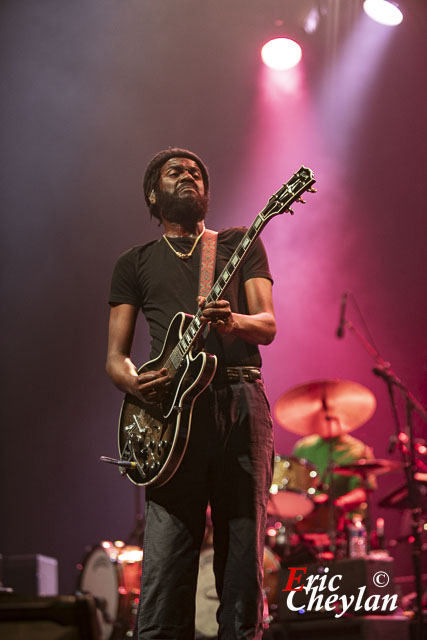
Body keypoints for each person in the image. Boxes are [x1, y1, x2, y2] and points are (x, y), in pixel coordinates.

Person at [106, 147, 276, 640]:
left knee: (243, 564)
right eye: (174, 172)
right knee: (164, 570)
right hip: (172, 415)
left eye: (197, 173)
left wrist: (234, 319)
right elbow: (115, 358)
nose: (189, 176)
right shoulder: (133, 263)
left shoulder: (239, 244)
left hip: (240, 404)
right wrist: (136, 382)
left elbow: (267, 325)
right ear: (152, 196)